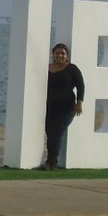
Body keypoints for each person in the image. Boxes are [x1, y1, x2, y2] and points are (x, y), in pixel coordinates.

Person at [41, 42, 84, 170]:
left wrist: (79, 103)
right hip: (50, 108)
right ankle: (50, 160)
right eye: (57, 53)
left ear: (67, 56)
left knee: (56, 133)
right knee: (49, 133)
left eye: (62, 53)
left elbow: (81, 86)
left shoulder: (72, 69)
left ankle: (51, 162)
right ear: (52, 54)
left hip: (67, 109)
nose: (60, 55)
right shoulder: (47, 68)